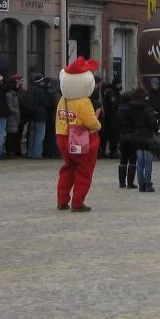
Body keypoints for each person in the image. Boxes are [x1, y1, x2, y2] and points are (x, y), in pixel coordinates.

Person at [55, 57, 102, 211]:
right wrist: (98, 124)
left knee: (68, 168)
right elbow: (91, 122)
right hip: (82, 139)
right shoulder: (83, 102)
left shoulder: (63, 99)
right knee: (84, 171)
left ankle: (62, 199)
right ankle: (77, 202)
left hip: (63, 136)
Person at [119, 87, 157, 192]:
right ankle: (148, 184)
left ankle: (141, 184)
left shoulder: (131, 108)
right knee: (148, 161)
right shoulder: (147, 108)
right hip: (147, 135)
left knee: (140, 161)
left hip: (136, 135)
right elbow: (152, 123)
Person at [25, 72, 51, 160]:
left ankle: (30, 153)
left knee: (32, 135)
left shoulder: (30, 90)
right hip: (41, 115)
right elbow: (46, 102)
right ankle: (37, 154)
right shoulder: (41, 91)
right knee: (40, 135)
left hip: (32, 115)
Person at [5, 74, 24, 158]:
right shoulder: (10, 94)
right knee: (11, 136)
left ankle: (16, 150)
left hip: (18, 117)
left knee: (17, 135)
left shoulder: (20, 91)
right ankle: (10, 152)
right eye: (19, 81)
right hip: (13, 117)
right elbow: (10, 106)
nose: (20, 82)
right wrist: (17, 112)